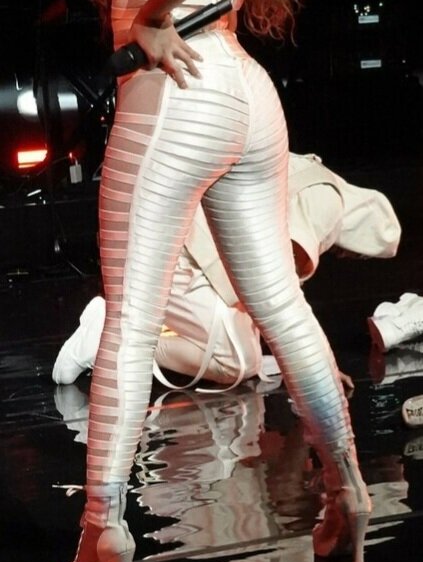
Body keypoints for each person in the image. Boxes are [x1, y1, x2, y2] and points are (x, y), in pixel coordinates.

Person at [60, 0, 371, 562]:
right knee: (279, 304)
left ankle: (102, 531)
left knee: (129, 320)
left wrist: (150, 16)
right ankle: (346, 491)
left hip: (177, 95)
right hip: (241, 90)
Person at [52, 150, 401, 389]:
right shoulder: (328, 206)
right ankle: (113, 338)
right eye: (361, 255)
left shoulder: (314, 175)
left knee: (249, 353)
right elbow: (280, 295)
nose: (348, 257)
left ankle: (137, 326)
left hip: (171, 236)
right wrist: (318, 371)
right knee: (237, 362)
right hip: (170, 249)